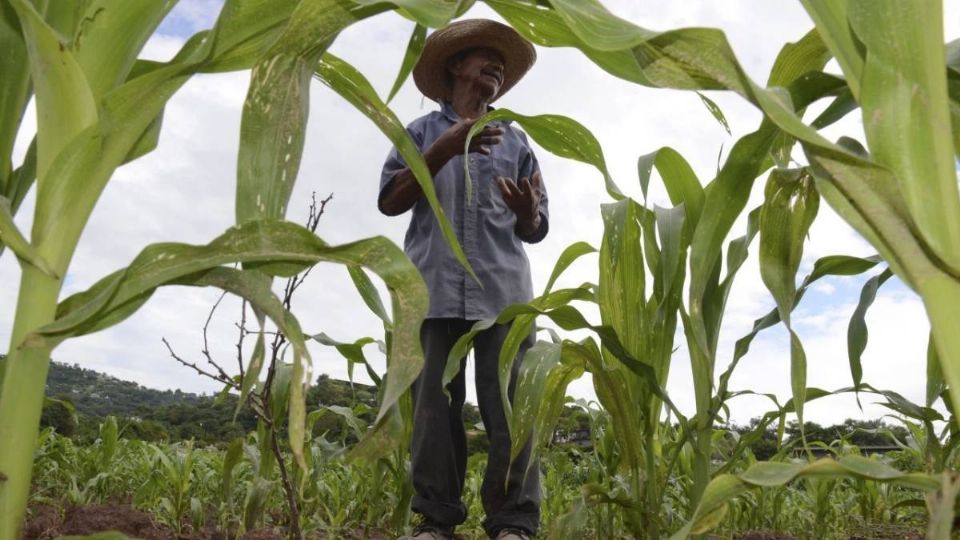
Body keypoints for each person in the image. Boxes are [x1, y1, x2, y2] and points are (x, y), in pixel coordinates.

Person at [378, 18, 548, 540]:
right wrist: (444, 149)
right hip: (432, 290)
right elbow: (389, 200)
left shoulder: (516, 141)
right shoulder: (421, 132)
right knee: (434, 407)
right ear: (454, 67)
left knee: (510, 407)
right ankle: (437, 521)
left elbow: (537, 228)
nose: (495, 67)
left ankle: (513, 522)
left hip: (504, 295)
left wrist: (527, 213)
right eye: (483, 58)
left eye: (501, 64)